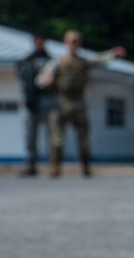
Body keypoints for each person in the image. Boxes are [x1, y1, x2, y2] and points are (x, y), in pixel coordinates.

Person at [36, 30, 125, 177]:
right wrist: (45, 81)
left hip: (78, 103)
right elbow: (41, 79)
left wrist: (113, 53)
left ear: (79, 45)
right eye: (71, 42)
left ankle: (86, 168)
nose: (73, 45)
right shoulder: (57, 62)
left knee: (83, 139)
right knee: (57, 139)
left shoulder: (83, 62)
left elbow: (99, 59)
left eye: (76, 42)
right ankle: (55, 169)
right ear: (65, 44)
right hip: (61, 102)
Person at [15, 32, 55, 177]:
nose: (39, 43)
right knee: (30, 135)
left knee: (51, 134)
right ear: (33, 42)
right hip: (31, 102)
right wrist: (24, 97)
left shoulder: (51, 61)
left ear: (44, 42)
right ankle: (31, 166)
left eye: (41, 40)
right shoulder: (26, 61)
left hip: (47, 101)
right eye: (36, 41)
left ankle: (53, 166)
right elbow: (22, 81)